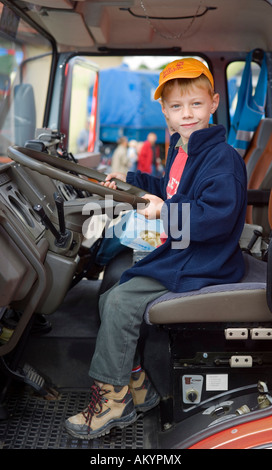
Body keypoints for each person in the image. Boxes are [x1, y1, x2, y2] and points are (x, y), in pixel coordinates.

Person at [65, 58, 247, 439]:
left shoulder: (222, 159)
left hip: (205, 260)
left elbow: (215, 217)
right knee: (112, 293)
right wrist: (131, 180)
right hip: (186, 250)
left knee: (118, 302)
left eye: (196, 104)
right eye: (177, 107)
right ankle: (138, 385)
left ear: (213, 103)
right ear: (164, 110)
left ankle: (113, 400)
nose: (187, 114)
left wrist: (166, 213)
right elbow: (172, 189)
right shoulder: (185, 149)